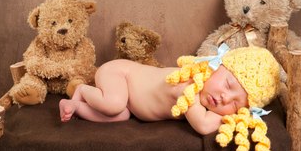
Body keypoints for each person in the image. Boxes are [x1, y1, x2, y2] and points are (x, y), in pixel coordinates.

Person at [59, 44, 280, 135]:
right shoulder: (188, 87)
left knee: (120, 114)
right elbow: (203, 126)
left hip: (131, 104)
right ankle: (82, 90)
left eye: (235, 104)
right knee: (114, 104)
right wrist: (232, 118)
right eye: (228, 85)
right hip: (120, 74)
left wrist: (238, 113)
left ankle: (76, 106)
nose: (224, 98)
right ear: (216, 67)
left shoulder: (206, 94)